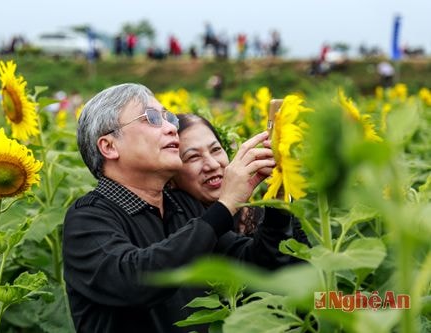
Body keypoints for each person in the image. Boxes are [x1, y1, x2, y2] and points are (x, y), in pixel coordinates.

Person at [63, 83, 297, 333]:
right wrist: (225, 205)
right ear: (109, 146)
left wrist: (277, 199)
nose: (171, 128)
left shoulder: (182, 206)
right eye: (152, 118)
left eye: (168, 118)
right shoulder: (87, 217)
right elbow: (137, 280)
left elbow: (254, 267)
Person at [170, 113, 309, 240]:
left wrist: (280, 189)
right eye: (193, 156)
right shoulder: (180, 228)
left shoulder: (256, 214)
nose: (212, 164)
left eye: (216, 149)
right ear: (171, 174)